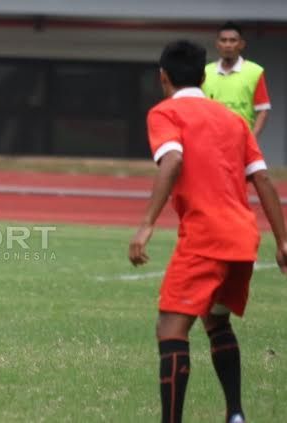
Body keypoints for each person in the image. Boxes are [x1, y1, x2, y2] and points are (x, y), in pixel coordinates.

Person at [128, 40, 287, 423]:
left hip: (205, 237)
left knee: (170, 327)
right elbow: (263, 179)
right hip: (242, 237)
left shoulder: (165, 113)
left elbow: (173, 160)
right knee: (216, 320)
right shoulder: (233, 120)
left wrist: (146, 224)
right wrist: (282, 241)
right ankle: (235, 414)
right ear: (203, 76)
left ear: (162, 77)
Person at [202, 21, 271, 137]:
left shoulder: (254, 71)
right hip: (211, 141)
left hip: (241, 141)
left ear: (241, 44)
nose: (228, 45)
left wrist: (252, 138)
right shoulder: (205, 72)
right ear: (217, 44)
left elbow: (263, 110)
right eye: (223, 40)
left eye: (233, 40)